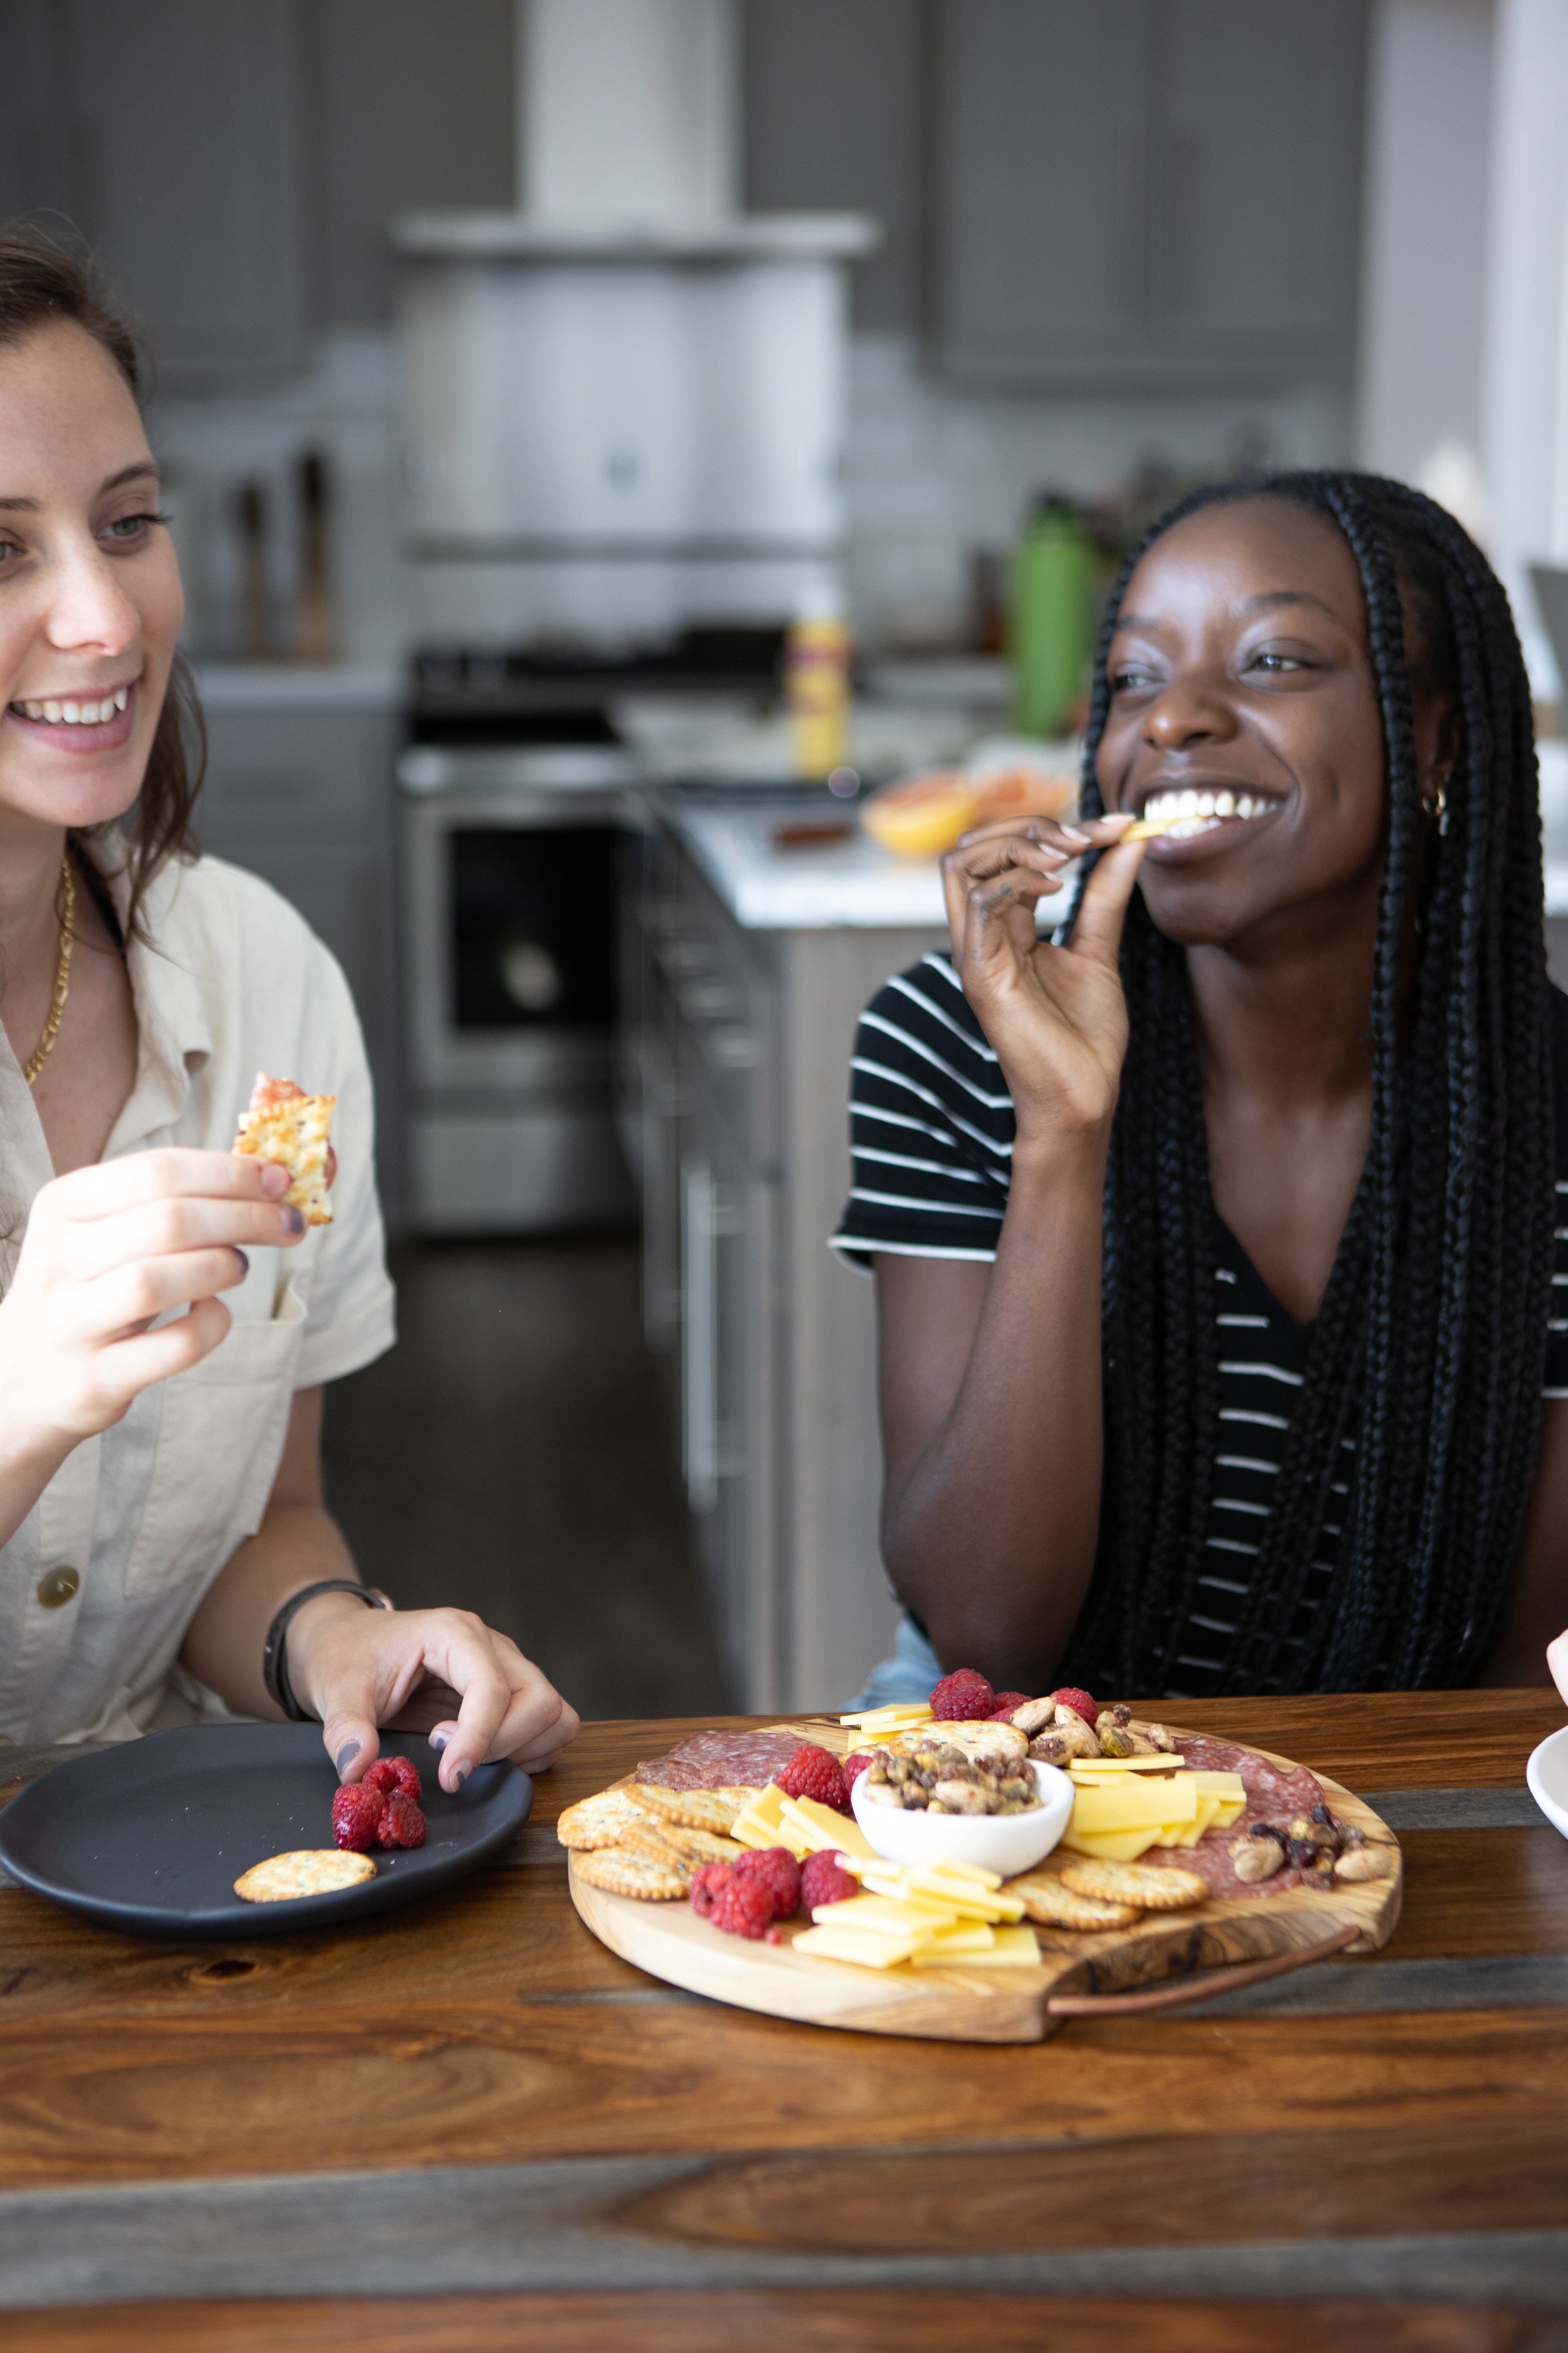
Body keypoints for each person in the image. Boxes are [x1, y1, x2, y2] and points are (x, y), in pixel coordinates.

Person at [836, 469, 1568, 1704]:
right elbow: (988, 1637)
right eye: (1131, 675)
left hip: (1396, 1812)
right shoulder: (952, 1044)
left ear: (1438, 732)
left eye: (1276, 659)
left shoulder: (1549, 1113)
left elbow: (1520, 1674)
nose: (1171, 719)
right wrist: (1063, 1132)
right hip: (1014, 1790)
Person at [0, 230, 578, 1786]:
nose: (107, 622)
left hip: (164, 1852)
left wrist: (329, 1637)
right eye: (2, 551)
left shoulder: (262, 978)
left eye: (127, 524)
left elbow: (259, 1519)